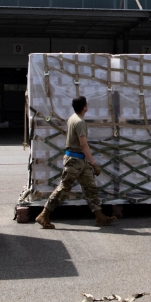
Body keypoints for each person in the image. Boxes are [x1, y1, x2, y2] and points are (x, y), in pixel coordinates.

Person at [36, 96, 118, 229]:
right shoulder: (79, 122)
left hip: (80, 161)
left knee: (90, 187)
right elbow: (83, 145)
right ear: (84, 107)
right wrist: (94, 164)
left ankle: (99, 217)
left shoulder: (72, 118)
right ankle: (44, 214)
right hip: (75, 161)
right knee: (64, 188)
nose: (88, 106)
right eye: (87, 104)